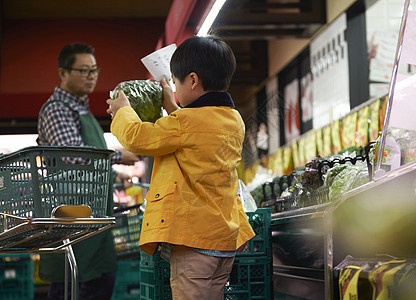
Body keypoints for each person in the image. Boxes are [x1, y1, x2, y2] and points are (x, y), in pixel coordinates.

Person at [106, 35, 255, 299]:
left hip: (194, 242)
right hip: (223, 239)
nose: (173, 88)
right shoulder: (233, 120)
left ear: (193, 80)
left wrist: (122, 111)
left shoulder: (184, 123)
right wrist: (172, 105)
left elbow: (140, 137)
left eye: (175, 82)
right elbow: (196, 133)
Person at [37, 42, 139, 300]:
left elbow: (87, 172)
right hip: (71, 226)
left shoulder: (82, 109)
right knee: (71, 289)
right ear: (63, 73)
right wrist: (119, 156)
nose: (91, 76)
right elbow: (74, 157)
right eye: (84, 70)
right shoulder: (57, 110)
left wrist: (117, 176)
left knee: (100, 283)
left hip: (92, 224)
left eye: (94, 70)